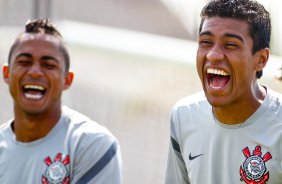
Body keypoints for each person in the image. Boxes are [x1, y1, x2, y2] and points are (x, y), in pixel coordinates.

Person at [164, 0, 282, 183]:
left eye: (230, 45)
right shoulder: (183, 116)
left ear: (261, 59)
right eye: (206, 42)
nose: (213, 54)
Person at [0, 19, 122, 184]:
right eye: (24, 62)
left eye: (48, 65)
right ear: (6, 73)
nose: (35, 72)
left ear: (67, 80)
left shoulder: (92, 144)